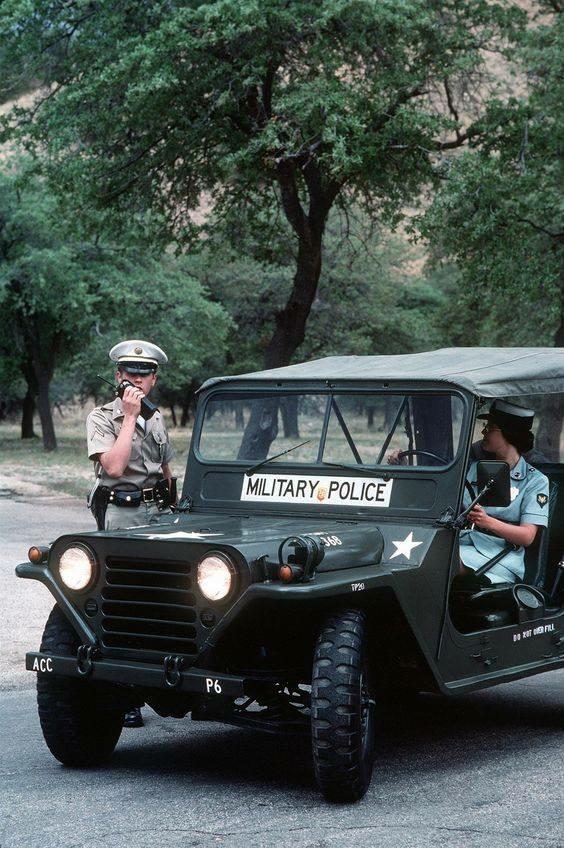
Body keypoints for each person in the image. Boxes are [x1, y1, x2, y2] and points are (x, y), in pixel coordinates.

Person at [86, 339, 175, 726]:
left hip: (158, 512)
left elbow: (166, 468)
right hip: (121, 514)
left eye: (143, 373)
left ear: (153, 379)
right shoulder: (102, 417)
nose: (135, 379)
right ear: (118, 377)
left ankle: (163, 681)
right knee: (122, 601)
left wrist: (178, 505)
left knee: (164, 596)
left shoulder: (156, 417)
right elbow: (116, 467)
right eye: (128, 373)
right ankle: (123, 695)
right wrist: (128, 416)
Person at [459, 400, 550, 585]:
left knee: (440, 563)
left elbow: (527, 536)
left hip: (500, 557)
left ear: (509, 433)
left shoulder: (535, 481)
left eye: (490, 427)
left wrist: (487, 522)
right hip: (463, 542)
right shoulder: (472, 469)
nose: (483, 432)